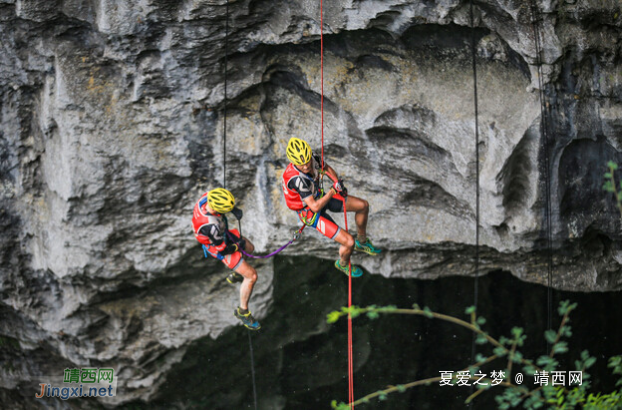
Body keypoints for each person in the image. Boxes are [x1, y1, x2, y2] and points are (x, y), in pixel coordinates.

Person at [281, 137, 381, 277]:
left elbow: (326, 168)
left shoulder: (313, 157)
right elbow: (315, 207)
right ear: (293, 163)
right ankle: (343, 264)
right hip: (310, 213)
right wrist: (333, 191)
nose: (306, 166)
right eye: (301, 164)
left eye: (307, 161)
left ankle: (362, 241)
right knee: (348, 242)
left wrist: (338, 184)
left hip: (320, 196)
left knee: (363, 206)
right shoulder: (297, 180)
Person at [192, 188, 260, 330]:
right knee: (252, 276)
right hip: (217, 245)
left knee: (250, 248)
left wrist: (233, 210)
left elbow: (221, 200)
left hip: (222, 233)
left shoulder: (206, 198)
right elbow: (223, 250)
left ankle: (236, 274)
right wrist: (237, 246)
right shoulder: (211, 226)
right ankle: (243, 312)